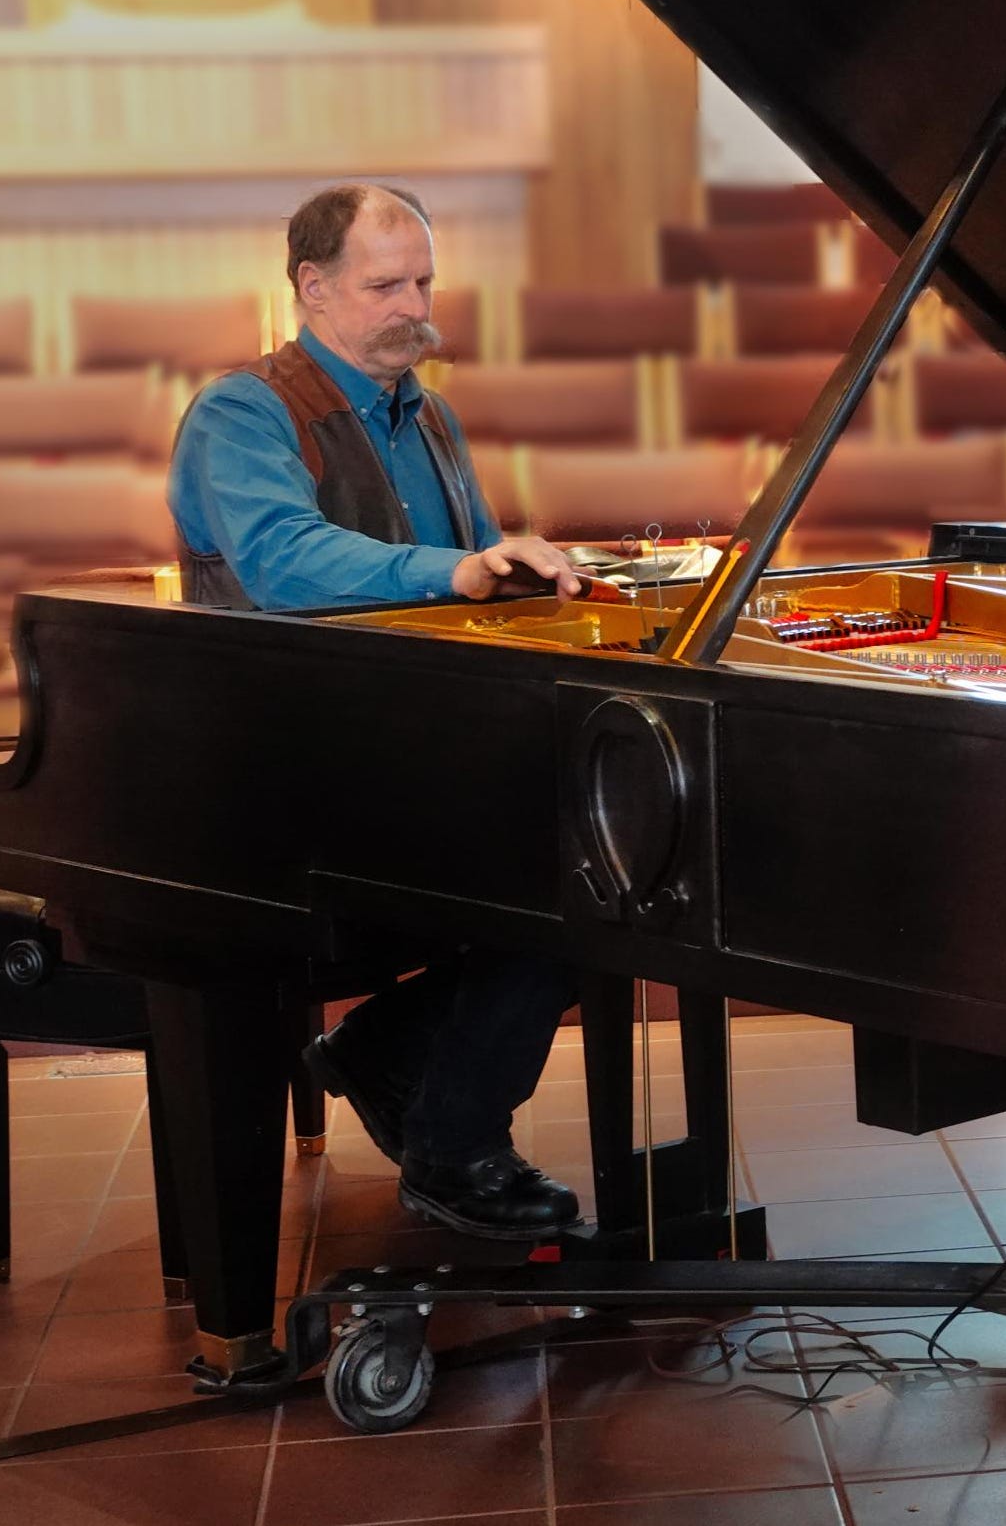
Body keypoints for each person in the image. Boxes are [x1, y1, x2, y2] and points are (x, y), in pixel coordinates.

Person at [167, 181, 588, 1241]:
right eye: (387, 284)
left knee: (612, 852)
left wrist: (544, 573)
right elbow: (282, 561)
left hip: (411, 754)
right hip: (282, 776)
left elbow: (477, 576)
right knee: (566, 871)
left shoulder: (431, 415)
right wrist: (460, 569)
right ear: (312, 287)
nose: (416, 304)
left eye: (426, 281)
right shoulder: (242, 411)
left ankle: (387, 1056)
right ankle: (452, 1144)